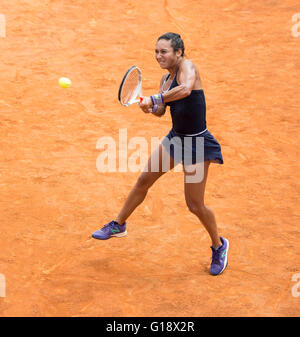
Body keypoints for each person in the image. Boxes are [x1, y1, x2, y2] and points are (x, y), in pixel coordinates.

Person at [92, 32, 229, 276]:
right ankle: (119, 224)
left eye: (164, 51)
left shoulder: (188, 67)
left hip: (197, 144)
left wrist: (155, 98)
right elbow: (162, 110)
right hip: (175, 139)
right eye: (156, 51)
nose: (158, 56)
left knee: (195, 205)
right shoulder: (165, 81)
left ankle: (219, 245)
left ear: (178, 53)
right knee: (143, 181)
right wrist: (150, 107)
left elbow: (185, 90)